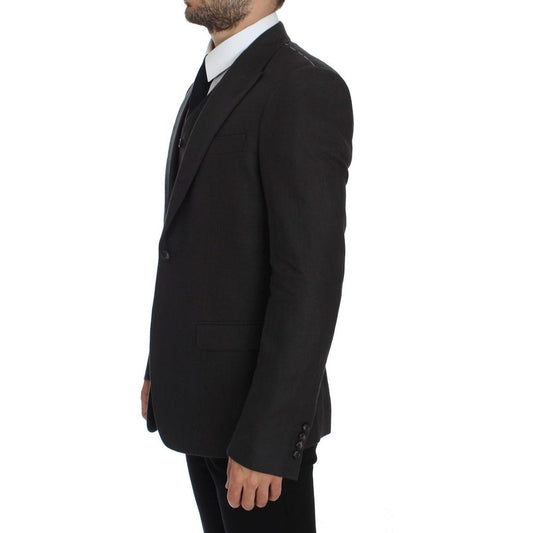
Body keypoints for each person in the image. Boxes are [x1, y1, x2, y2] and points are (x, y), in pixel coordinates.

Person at [140, 1, 353, 531]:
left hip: (256, 427)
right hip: (201, 403)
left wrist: (269, 438)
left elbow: (310, 281)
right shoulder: (213, 78)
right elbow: (199, 246)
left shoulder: (303, 88)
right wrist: (160, 365)